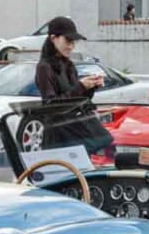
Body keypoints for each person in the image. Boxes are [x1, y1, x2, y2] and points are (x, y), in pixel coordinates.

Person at [33, 15, 112, 155]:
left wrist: (91, 87)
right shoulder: (44, 67)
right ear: (53, 38)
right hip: (58, 135)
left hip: (73, 130)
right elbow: (50, 105)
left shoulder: (69, 65)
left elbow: (76, 100)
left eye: (73, 42)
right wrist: (81, 86)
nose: (71, 46)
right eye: (67, 41)